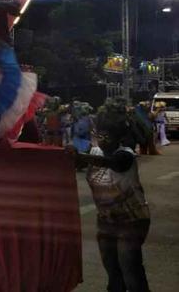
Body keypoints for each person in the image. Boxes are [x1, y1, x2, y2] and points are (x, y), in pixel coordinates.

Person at [67, 99, 150, 292]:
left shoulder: (126, 155)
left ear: (117, 137)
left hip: (132, 220)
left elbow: (114, 163)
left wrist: (81, 157)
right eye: (98, 134)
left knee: (130, 271)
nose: (101, 139)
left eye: (106, 136)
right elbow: (73, 161)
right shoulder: (94, 150)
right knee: (113, 272)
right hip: (106, 221)